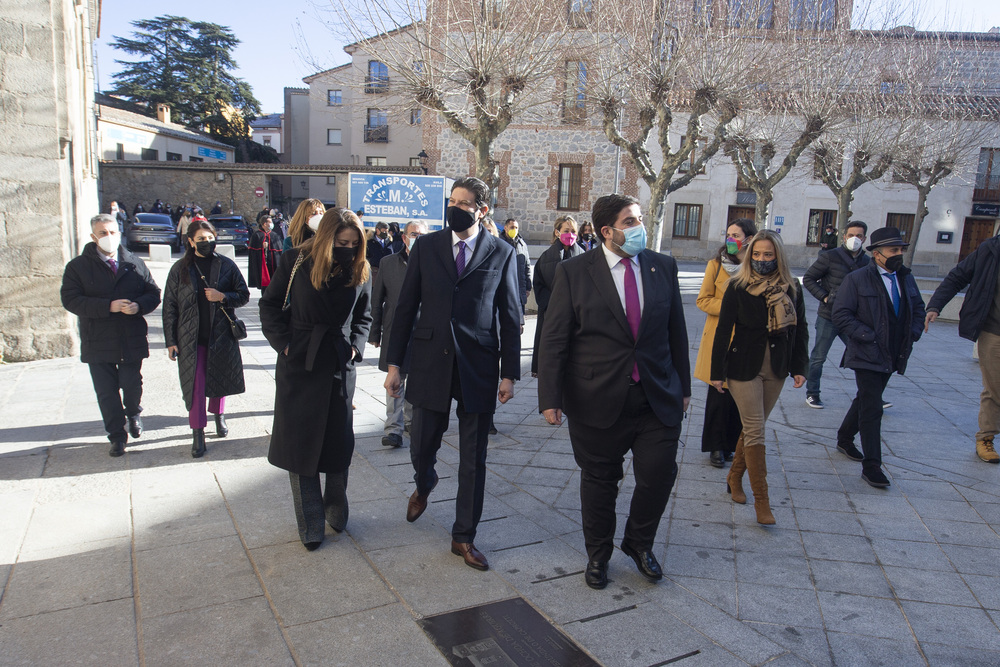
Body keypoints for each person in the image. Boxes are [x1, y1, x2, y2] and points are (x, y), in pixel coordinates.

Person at [538, 194, 690, 590]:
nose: (638, 227)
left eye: (639, 219)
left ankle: (639, 543)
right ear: (607, 231)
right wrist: (550, 397)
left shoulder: (663, 266)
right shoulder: (574, 273)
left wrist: (684, 387)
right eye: (630, 221)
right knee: (600, 480)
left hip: (656, 396)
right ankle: (598, 554)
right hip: (596, 398)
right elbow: (554, 339)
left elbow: (676, 331)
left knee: (658, 474)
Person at [384, 177, 521, 572]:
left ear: (482, 209)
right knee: (422, 443)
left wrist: (509, 373)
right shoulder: (426, 246)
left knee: (473, 459)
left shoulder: (502, 252)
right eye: (452, 200)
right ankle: (424, 483)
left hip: (477, 364)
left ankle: (464, 536)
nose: (455, 207)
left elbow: (510, 317)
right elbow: (405, 308)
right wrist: (396, 365)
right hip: (429, 360)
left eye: (465, 202)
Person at [259, 209, 372, 550]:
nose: (348, 248)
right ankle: (310, 522)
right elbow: (270, 305)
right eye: (341, 242)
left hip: (338, 363)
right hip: (300, 363)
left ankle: (335, 505)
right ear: (325, 237)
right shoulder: (295, 260)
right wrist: (285, 345)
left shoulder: (361, 267)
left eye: (354, 243)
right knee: (301, 447)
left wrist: (355, 346)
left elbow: (364, 316)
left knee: (339, 445)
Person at [712, 230, 808, 525]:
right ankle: (762, 503)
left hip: (776, 368)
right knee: (755, 429)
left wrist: (800, 367)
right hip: (742, 367)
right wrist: (716, 372)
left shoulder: (792, 288)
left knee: (753, 428)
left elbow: (801, 329)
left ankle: (734, 475)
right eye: (756, 254)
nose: (761, 260)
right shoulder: (738, 286)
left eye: (768, 255)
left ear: (778, 256)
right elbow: (723, 329)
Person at [60, 214, 161, 457]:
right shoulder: (78, 267)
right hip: (98, 338)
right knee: (106, 392)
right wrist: (108, 306)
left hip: (130, 336)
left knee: (131, 384)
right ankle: (116, 436)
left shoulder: (134, 262)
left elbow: (153, 292)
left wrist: (138, 306)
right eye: (103, 233)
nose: (109, 237)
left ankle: (134, 411)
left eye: (113, 232)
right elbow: (71, 299)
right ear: (94, 237)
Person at [832, 227, 925, 487]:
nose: (899, 254)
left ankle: (844, 437)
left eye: (901, 249)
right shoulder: (858, 279)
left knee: (866, 397)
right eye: (893, 250)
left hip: (894, 352)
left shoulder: (906, 277)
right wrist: (867, 336)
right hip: (867, 353)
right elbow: (841, 315)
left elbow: (918, 308)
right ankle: (872, 466)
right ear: (876, 254)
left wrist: (913, 333)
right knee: (873, 408)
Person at [162, 220, 249, 458]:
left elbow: (243, 295)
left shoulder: (227, 265)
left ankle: (219, 414)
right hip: (191, 337)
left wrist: (223, 296)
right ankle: (198, 433)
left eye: (210, 238)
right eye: (201, 239)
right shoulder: (179, 269)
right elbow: (169, 305)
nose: (207, 243)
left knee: (218, 379)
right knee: (196, 386)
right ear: (190, 241)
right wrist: (171, 340)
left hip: (220, 334)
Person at [925, 230, 1000, 463]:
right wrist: (935, 305)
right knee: (996, 388)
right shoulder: (990, 250)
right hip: (994, 331)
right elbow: (957, 277)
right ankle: (985, 438)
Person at [694, 218, 756, 468]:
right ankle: (715, 446)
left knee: (739, 397)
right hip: (719, 338)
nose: (730, 239)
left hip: (746, 341)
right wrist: (731, 308)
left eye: (736, 235)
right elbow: (703, 300)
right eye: (728, 234)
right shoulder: (716, 265)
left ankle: (731, 444)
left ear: (749, 239)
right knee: (718, 394)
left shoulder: (756, 267)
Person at [802, 220, 871, 409]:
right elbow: (808, 278)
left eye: (859, 236)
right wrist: (824, 297)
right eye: (851, 235)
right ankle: (812, 393)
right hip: (828, 315)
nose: (854, 239)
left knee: (864, 357)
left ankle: (870, 395)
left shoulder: (867, 262)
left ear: (864, 238)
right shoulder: (830, 256)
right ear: (844, 237)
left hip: (853, 319)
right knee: (819, 356)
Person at [372, 221, 427, 447]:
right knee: (395, 378)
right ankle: (393, 428)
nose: (418, 239)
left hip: (422, 330)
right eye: (414, 235)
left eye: (423, 236)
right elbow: (377, 300)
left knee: (416, 377)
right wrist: (375, 331)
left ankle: (411, 421)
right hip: (395, 328)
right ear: (404, 238)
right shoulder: (388, 263)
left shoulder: (432, 264)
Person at [530, 215, 584, 376]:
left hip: (576, 314)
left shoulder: (584, 256)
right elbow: (539, 285)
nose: (570, 234)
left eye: (573, 231)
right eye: (566, 230)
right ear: (557, 232)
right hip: (551, 314)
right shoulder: (546, 257)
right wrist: (553, 304)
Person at [501, 218, 532, 315]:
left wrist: (528, 287)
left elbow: (527, 267)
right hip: (504, 288)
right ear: (505, 228)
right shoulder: (499, 243)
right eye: (512, 227)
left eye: (516, 227)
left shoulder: (522, 245)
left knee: (519, 322)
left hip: (519, 289)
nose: (514, 230)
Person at [247, 216, 282, 295]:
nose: (271, 224)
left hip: (274, 264)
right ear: (264, 224)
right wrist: (261, 247)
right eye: (269, 222)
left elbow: (279, 250)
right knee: (265, 287)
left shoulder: (274, 235)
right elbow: (253, 252)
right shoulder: (257, 235)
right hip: (262, 265)